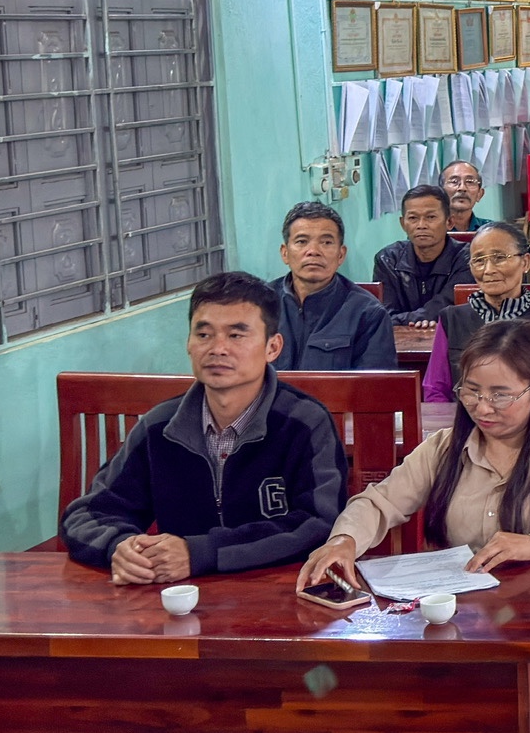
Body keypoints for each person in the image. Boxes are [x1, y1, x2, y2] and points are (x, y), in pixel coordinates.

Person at [298, 318, 530, 589]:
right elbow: (378, 503)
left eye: (500, 395)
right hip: (461, 614)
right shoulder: (444, 448)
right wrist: (344, 540)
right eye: (472, 391)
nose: (483, 407)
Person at [60, 271, 347, 582]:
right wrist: (120, 547)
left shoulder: (305, 422)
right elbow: (87, 515)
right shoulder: (161, 427)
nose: (217, 349)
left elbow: (319, 523)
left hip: (278, 591)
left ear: (272, 347)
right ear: (188, 344)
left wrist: (202, 553)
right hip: (180, 595)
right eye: (204, 334)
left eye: (236, 335)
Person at [427, 222, 530, 404]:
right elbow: (435, 389)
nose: (488, 270)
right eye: (479, 261)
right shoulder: (451, 319)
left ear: (525, 262)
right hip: (465, 417)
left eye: (499, 258)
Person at [271, 200, 395, 370]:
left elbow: (375, 383)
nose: (313, 251)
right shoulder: (259, 305)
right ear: (285, 253)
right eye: (301, 241)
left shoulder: (368, 313)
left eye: (326, 242)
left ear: (341, 255)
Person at [374, 183, 473, 325]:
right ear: (403, 223)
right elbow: (383, 315)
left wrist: (411, 319)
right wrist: (418, 320)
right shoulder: (388, 260)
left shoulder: (468, 258)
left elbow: (447, 307)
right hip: (399, 337)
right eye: (413, 218)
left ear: (450, 222)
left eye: (431, 217)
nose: (421, 225)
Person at [441, 160, 486, 235]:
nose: (462, 188)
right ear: (441, 192)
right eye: (454, 181)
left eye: (470, 182)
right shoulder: (432, 230)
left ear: (479, 194)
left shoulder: (491, 231)